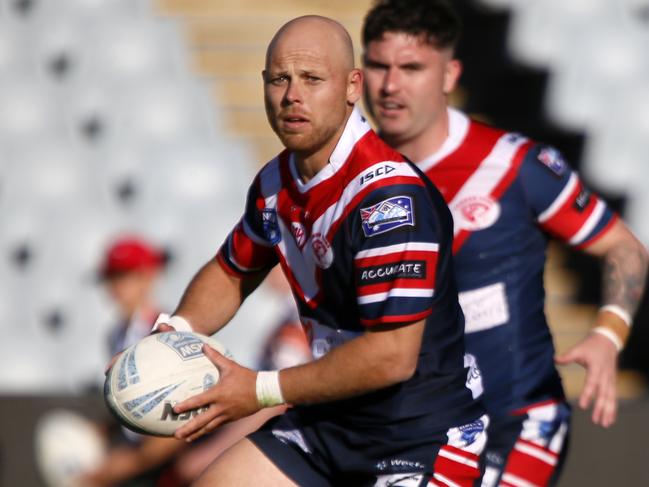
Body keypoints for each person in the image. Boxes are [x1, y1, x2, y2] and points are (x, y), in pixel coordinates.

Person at [156, 15, 488, 487]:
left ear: (353, 86)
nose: (292, 95)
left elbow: (391, 355)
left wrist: (260, 389)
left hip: (418, 436)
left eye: (312, 79)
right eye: (279, 79)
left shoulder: (388, 201)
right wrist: (172, 335)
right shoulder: (275, 181)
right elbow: (232, 272)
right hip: (326, 425)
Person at [360, 1, 649, 486]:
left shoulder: (513, 164)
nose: (390, 86)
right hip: (411, 430)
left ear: (450, 74)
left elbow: (624, 248)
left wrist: (609, 332)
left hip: (515, 422)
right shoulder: (351, 178)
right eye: (377, 66)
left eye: (411, 68)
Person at [81, 235, 191, 486]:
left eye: (124, 276)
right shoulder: (116, 335)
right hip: (140, 455)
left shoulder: (168, 332)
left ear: (149, 276)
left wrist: (130, 463)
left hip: (168, 465)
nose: (115, 286)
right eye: (111, 277)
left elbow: (181, 416)